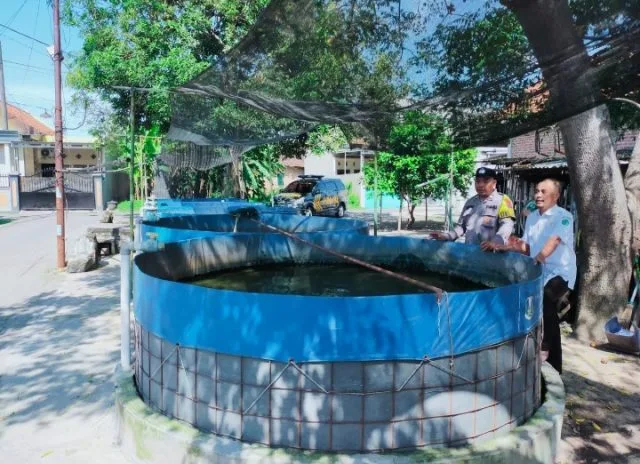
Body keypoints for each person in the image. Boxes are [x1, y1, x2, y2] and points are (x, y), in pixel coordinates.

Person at [482, 178, 576, 374]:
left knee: (546, 305)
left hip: (561, 272)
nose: (538, 195)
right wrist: (501, 247)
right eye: (537, 191)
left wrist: (540, 256)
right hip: (539, 270)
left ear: (556, 196)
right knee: (535, 310)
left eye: (543, 191)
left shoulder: (563, 216)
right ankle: (542, 357)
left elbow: (554, 241)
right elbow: (525, 246)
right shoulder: (532, 217)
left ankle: (548, 355)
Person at [432, 167, 516, 245]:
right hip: (470, 253)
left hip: (491, 253)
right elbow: (461, 227)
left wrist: (496, 242)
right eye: (478, 181)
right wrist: (446, 236)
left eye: (485, 181)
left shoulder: (503, 201)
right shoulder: (470, 202)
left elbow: (506, 226)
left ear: (494, 183)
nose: (481, 185)